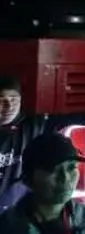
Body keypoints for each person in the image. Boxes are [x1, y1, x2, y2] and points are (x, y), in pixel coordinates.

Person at [0, 132, 85, 233]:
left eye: (71, 167)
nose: (65, 178)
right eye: (52, 170)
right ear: (28, 180)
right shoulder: (8, 227)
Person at [0, 77, 48, 212]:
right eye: (1, 100)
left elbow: (72, 118)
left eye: (14, 100)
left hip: (15, 211)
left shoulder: (31, 126)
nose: (9, 107)